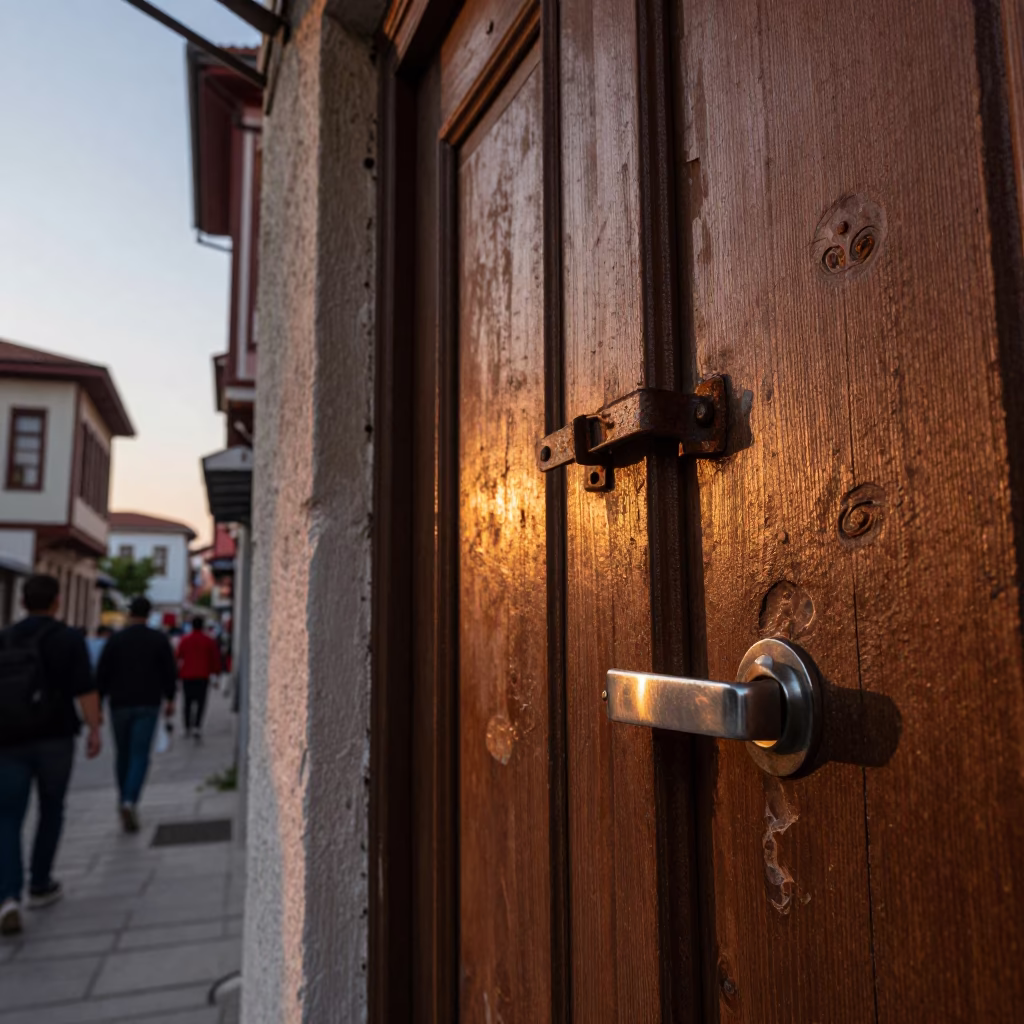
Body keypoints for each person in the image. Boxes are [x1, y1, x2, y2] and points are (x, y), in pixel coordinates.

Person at [0, 575, 102, 936]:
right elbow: (85, 688)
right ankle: (40, 883)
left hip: (8, 740)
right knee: (51, 808)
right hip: (55, 738)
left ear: (24, 602)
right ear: (57, 601)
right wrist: (94, 728)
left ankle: (7, 896)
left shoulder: (6, 637)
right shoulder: (67, 639)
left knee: (7, 818)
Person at [96, 597, 176, 834]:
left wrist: (97, 705)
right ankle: (130, 800)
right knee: (140, 754)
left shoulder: (116, 640)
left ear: (130, 613)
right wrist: (170, 699)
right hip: (148, 702)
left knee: (123, 754)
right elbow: (169, 671)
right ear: (149, 613)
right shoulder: (159, 639)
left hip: (119, 703)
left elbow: (102, 673)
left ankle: (123, 798)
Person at [176, 617, 222, 740]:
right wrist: (216, 676)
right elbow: (215, 659)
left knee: (187, 702)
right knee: (201, 702)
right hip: (203, 675)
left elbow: (178, 656)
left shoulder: (185, 639)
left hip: (187, 675)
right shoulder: (209, 641)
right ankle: (197, 726)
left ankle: (187, 727)